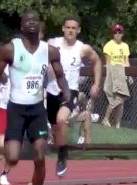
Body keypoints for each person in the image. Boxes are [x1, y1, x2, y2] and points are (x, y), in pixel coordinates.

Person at [0, 10, 70, 185]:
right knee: (13, 158)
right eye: (27, 21)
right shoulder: (9, 49)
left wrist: (67, 95)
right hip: (16, 109)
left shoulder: (50, 51)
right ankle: (12, 152)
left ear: (39, 25)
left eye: (35, 20)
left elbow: (60, 76)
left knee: (40, 157)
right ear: (22, 26)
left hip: (37, 111)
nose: (32, 23)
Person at [46, 16, 101, 176]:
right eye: (68, 27)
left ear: (78, 30)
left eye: (73, 28)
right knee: (56, 128)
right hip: (51, 91)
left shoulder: (82, 49)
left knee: (61, 119)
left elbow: (97, 62)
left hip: (70, 91)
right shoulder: (52, 44)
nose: (70, 30)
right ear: (63, 28)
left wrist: (96, 84)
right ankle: (60, 148)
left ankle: (62, 156)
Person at [0, 25, 46, 185]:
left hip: (29, 107)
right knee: (1, 144)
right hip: (6, 107)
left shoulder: (35, 59)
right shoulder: (6, 62)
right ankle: (9, 163)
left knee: (36, 147)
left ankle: (8, 171)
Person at [101, 23, 131, 129]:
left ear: (122, 34)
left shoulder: (125, 46)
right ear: (113, 34)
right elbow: (108, 62)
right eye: (115, 32)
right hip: (113, 73)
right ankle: (106, 118)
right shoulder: (108, 46)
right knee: (116, 98)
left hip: (122, 73)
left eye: (119, 32)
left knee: (121, 100)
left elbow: (126, 62)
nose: (117, 34)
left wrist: (128, 75)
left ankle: (117, 124)